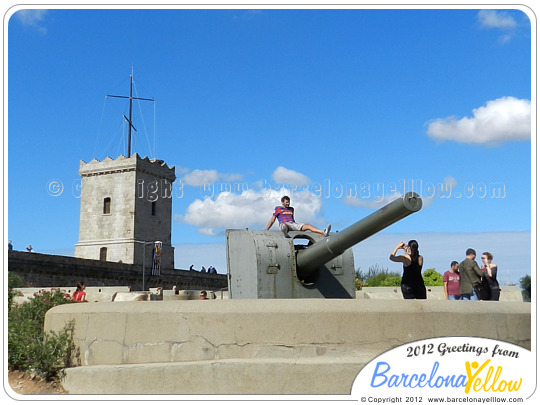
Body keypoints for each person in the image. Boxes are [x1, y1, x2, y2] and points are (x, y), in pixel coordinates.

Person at [265, 196, 331, 237]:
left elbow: (293, 219)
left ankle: (323, 232)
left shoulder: (291, 209)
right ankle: (284, 233)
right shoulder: (278, 208)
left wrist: (298, 228)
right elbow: (272, 220)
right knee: (284, 225)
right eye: (286, 202)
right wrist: (266, 230)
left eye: (289, 202)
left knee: (307, 226)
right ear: (282, 202)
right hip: (284, 224)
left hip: (293, 224)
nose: (288, 203)